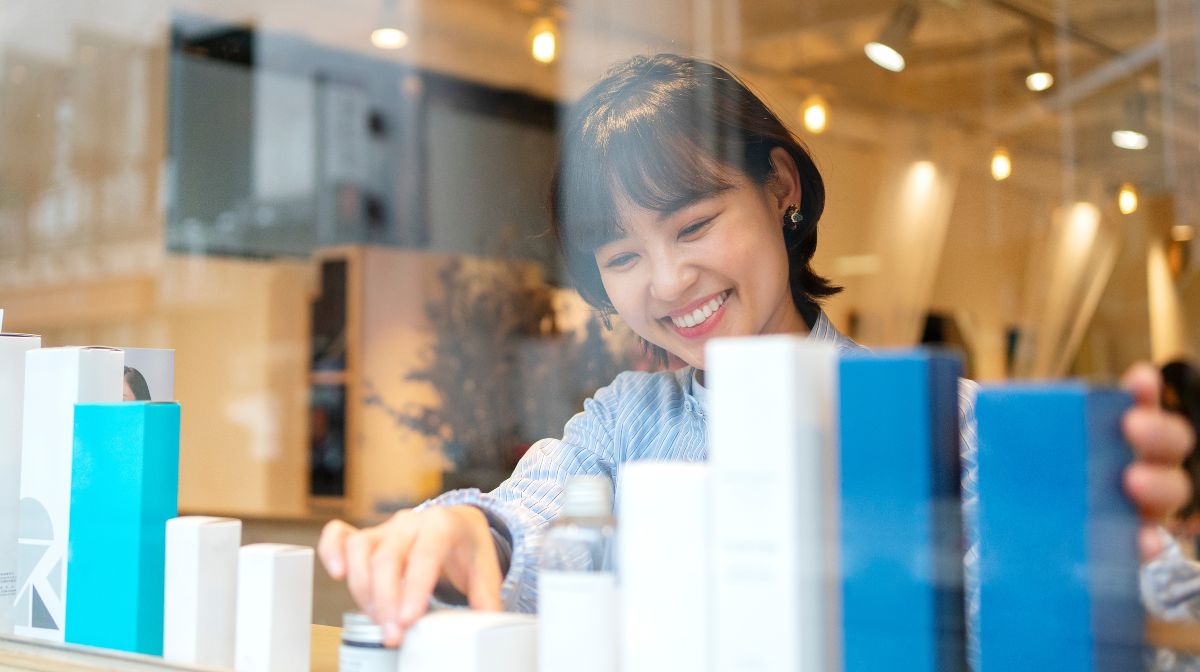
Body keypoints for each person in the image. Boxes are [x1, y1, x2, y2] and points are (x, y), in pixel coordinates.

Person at [318, 54, 1198, 646]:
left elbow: (1103, 613)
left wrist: (1124, 575)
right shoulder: (626, 425)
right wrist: (469, 531)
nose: (665, 281)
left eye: (694, 224)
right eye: (621, 256)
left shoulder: (943, 423)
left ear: (781, 187)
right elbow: (535, 512)